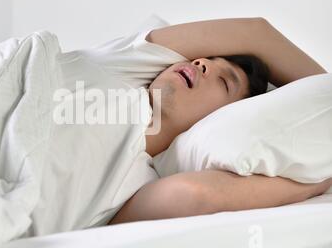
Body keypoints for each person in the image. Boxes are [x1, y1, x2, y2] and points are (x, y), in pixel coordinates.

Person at [108, 17, 332, 225]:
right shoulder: (122, 67)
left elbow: (196, 195)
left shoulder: (135, 185)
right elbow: (255, 33)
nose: (201, 62)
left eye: (224, 81)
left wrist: (316, 184)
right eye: (205, 58)